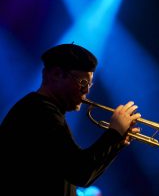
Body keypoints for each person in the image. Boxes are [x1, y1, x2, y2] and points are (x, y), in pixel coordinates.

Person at [0, 43, 141, 196]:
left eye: (89, 84)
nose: (87, 91)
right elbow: (80, 172)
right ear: (57, 74)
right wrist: (114, 133)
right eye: (83, 83)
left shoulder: (46, 110)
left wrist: (117, 142)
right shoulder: (39, 112)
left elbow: (80, 174)